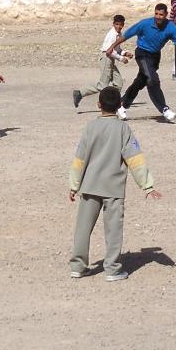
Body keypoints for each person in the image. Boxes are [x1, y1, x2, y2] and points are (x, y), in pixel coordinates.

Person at [69, 86, 162, 281]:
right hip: (114, 188)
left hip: (89, 186)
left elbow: (79, 159)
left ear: (98, 105)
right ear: (120, 105)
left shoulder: (90, 128)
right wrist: (147, 185)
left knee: (82, 229)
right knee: (113, 230)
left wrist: (73, 185)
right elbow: (135, 159)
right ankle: (112, 269)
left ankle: (78, 266)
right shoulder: (123, 129)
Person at [105, 3, 176, 121]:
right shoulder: (145, 23)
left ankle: (122, 104)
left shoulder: (170, 27)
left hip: (155, 57)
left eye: (161, 14)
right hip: (142, 54)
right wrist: (112, 47)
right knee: (152, 79)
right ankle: (164, 109)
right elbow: (126, 35)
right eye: (156, 14)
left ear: (166, 15)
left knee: (140, 81)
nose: (158, 16)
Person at [72, 14, 133, 108]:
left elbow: (117, 49)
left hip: (111, 60)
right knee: (102, 85)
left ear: (123, 25)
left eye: (120, 25)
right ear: (113, 24)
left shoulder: (119, 34)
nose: (119, 26)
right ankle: (80, 93)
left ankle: (113, 100)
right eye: (116, 24)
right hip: (106, 59)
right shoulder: (112, 35)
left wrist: (125, 53)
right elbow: (108, 51)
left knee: (119, 83)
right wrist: (121, 59)